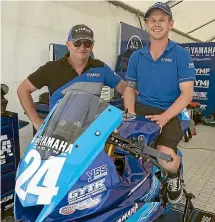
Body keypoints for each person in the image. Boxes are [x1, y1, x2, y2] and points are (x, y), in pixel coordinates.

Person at [123, 2, 195, 204]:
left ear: (170, 23)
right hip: (141, 108)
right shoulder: (137, 56)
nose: (157, 24)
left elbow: (186, 94)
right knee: (118, 146)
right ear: (147, 24)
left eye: (162, 20)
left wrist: (164, 117)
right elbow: (129, 87)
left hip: (170, 111)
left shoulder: (181, 55)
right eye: (152, 20)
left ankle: (174, 176)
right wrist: (128, 113)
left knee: (165, 157)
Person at [17, 24, 126, 131]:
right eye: (77, 43)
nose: (82, 47)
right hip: (57, 132)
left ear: (92, 46)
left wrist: (132, 106)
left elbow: (125, 89)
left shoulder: (101, 68)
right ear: (68, 45)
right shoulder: (51, 68)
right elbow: (23, 89)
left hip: (89, 132)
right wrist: (36, 121)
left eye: (87, 43)